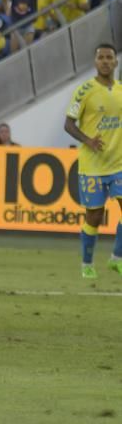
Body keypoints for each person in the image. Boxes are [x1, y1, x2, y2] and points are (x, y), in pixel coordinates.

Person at [65, 43, 122, 279]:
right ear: (95, 62)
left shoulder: (121, 90)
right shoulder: (84, 90)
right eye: (101, 58)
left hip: (119, 164)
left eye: (110, 57)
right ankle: (87, 264)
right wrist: (88, 140)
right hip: (93, 166)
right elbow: (68, 124)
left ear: (116, 62)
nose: (106, 61)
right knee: (94, 217)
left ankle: (116, 258)